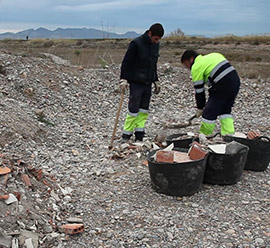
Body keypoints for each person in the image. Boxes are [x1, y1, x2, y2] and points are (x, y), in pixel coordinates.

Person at [119, 23, 164, 142]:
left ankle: (139, 134)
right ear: (150, 33)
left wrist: (156, 80)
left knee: (144, 110)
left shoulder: (155, 45)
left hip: (147, 81)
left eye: (158, 40)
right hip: (136, 81)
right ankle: (126, 135)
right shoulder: (136, 44)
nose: (156, 41)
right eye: (155, 39)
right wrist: (123, 79)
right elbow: (126, 62)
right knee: (133, 109)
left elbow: (153, 64)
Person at [181, 50, 240, 136]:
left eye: (186, 64)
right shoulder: (214, 55)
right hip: (235, 82)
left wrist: (200, 108)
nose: (187, 68)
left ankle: (204, 136)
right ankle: (228, 135)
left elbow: (199, 91)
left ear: (191, 59)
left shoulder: (196, 67)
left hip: (222, 84)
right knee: (225, 110)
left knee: (209, 112)